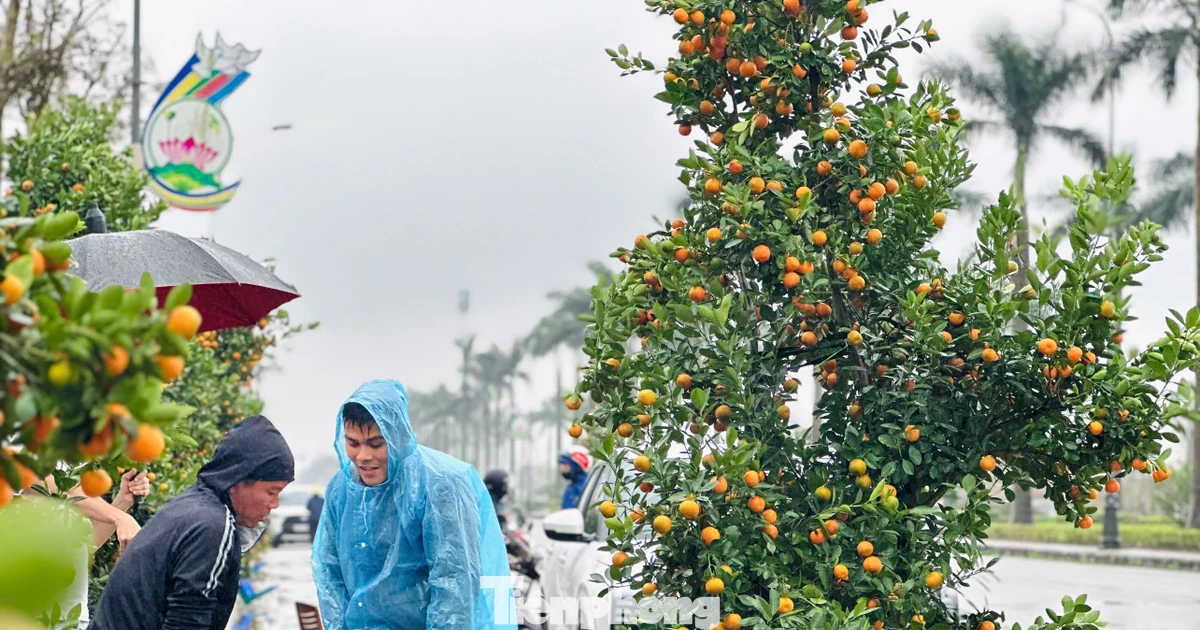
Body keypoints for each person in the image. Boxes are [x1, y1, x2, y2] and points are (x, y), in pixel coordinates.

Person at [311, 379, 515, 629]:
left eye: (376, 444)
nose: (363, 457)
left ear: (398, 435)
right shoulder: (342, 489)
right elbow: (329, 569)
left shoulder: (440, 484)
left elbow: (453, 581)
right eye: (353, 443)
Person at [88, 416, 295, 630]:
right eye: (271, 492)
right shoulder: (213, 527)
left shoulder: (192, 507)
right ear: (238, 480)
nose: (275, 504)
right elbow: (187, 623)